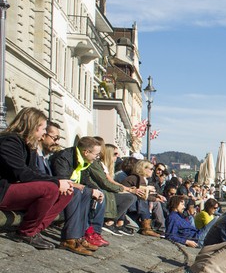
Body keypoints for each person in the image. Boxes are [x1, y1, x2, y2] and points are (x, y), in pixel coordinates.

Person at [0, 107, 75, 249]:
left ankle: (35, 230)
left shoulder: (29, 146)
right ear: (33, 126)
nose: (44, 133)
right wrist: (56, 182)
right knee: (50, 189)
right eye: (43, 129)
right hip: (3, 190)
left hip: (14, 189)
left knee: (67, 192)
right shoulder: (9, 142)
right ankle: (26, 232)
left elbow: (35, 172)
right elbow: (22, 174)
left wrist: (62, 182)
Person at [50, 136, 108, 251]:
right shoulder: (64, 157)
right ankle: (70, 238)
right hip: (58, 190)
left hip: (73, 191)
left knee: (88, 192)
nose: (97, 158)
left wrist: (95, 190)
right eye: (96, 154)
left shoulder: (82, 160)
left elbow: (85, 180)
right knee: (81, 192)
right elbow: (62, 179)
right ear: (86, 152)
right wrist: (88, 189)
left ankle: (80, 236)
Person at [92, 143, 138, 236]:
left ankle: (118, 222)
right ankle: (110, 222)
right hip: (103, 193)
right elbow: (106, 183)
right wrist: (125, 189)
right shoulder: (98, 165)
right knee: (129, 197)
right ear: (108, 154)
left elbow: (110, 182)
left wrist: (125, 189)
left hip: (107, 193)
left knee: (130, 196)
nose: (118, 156)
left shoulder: (107, 167)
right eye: (115, 154)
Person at [120, 159, 162, 237]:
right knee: (143, 200)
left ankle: (146, 225)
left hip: (131, 206)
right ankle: (146, 227)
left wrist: (156, 197)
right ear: (143, 168)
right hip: (127, 205)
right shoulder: (137, 178)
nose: (152, 171)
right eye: (151, 169)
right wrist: (154, 198)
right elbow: (143, 195)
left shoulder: (141, 179)